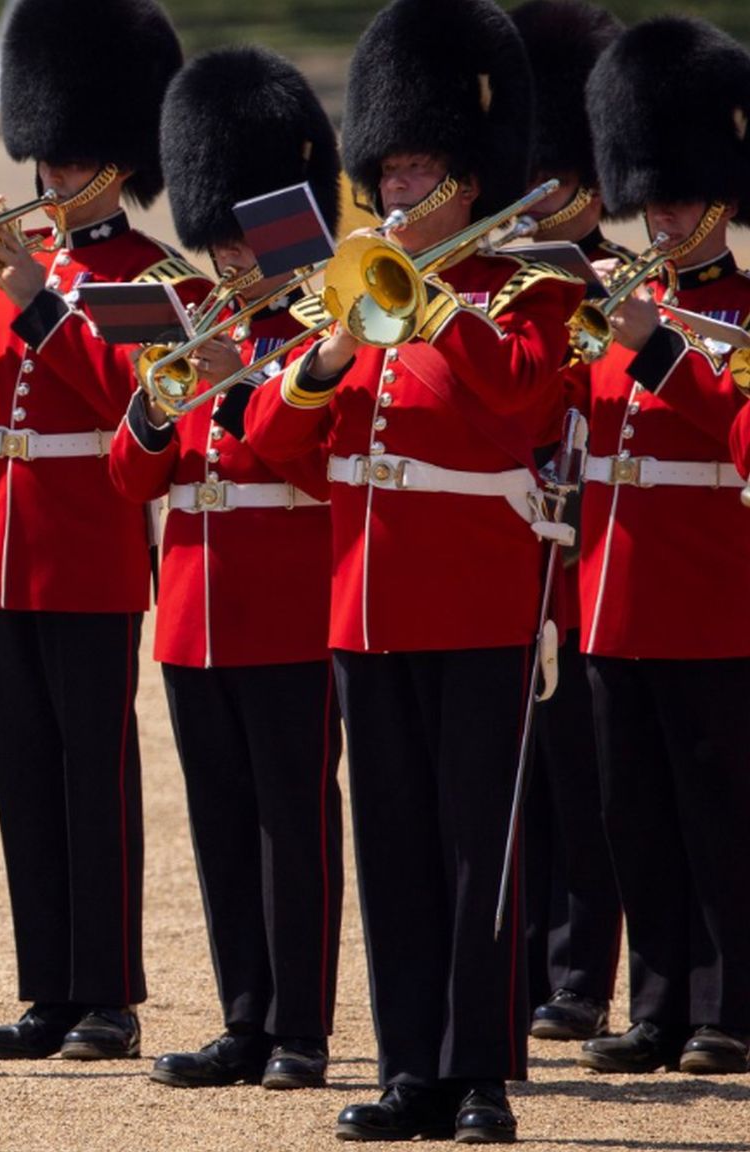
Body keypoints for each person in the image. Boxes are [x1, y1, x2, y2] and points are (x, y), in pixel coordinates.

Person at [243, 0, 586, 1139]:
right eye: (384, 170)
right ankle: (408, 1073)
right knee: (387, 841)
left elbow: (522, 402)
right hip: (365, 600)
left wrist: (430, 303)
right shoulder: (349, 286)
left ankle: (479, 1072)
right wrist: (328, 353)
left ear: (466, 177)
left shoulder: (534, 286)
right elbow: (271, 447)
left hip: (477, 593)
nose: (395, 192)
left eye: (419, 170)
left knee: (471, 846)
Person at [0, 0, 205, 1063]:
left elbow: (128, 396)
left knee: (92, 769)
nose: (50, 174)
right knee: (20, 770)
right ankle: (45, 990)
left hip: (89, 543)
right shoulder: (7, 252)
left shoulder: (153, 279)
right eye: (44, 156)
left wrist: (35, 302)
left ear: (117, 165)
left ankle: (107, 993)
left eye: (71, 159)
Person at [108, 45, 343, 1092]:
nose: (225, 259)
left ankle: (301, 1026)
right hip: (193, 606)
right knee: (216, 825)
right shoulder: (196, 328)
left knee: (292, 823)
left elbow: (287, 453)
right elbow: (128, 476)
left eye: (236, 240)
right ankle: (242, 1017)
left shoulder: (317, 332)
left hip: (288, 605)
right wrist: (158, 401)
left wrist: (230, 381)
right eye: (215, 242)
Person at [573, 14, 750, 1078]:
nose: (659, 213)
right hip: (610, 595)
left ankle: (728, 1006)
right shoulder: (615, 309)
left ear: (721, 198)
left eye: (677, 195)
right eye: (648, 195)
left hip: (707, 594)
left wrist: (654, 356)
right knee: (629, 815)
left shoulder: (736, 315)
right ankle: (656, 1007)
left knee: (717, 813)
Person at [507, 0, 627, 1047]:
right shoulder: (504, 281)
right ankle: (534, 958)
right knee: (523, 766)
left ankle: (580, 972)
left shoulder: (617, 283)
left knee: (585, 771)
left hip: (594, 543)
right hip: (508, 541)